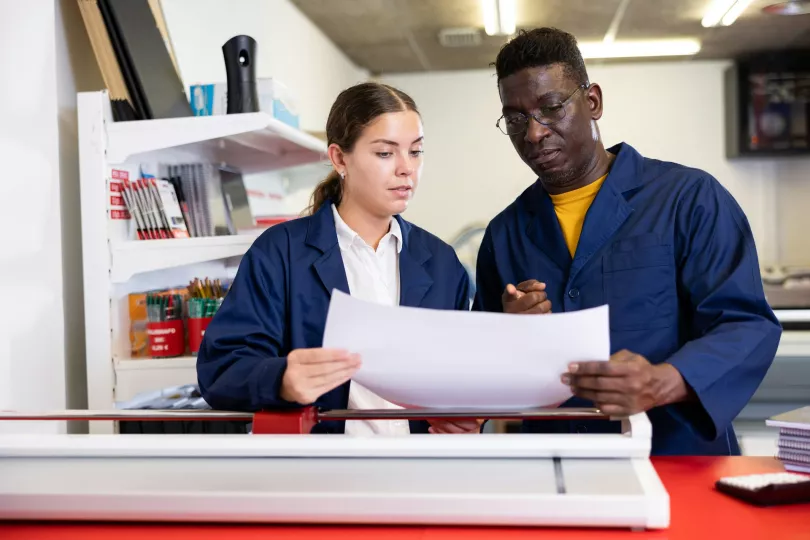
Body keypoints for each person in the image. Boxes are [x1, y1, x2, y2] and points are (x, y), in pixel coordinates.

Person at [473, 28, 782, 455]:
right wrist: (509, 335)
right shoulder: (505, 234)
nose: (534, 134)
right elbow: (481, 374)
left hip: (676, 462)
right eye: (516, 119)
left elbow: (746, 324)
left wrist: (663, 381)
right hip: (554, 467)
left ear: (593, 101)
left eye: (551, 108)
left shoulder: (688, 199)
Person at [197, 82, 480, 436]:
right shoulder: (279, 252)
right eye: (385, 153)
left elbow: (458, 376)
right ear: (339, 158)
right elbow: (221, 370)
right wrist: (282, 379)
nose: (407, 168)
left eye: (416, 151)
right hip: (320, 474)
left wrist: (462, 420)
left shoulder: (441, 262)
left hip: (417, 471)